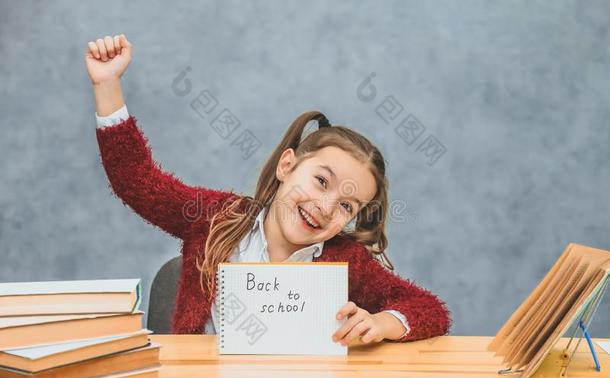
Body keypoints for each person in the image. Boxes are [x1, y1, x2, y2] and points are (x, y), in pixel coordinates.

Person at [85, 33, 452, 345]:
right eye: (321, 181)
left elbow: (429, 309)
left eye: (346, 206)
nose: (324, 206)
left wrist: (383, 323)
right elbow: (136, 180)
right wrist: (107, 85)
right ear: (287, 165)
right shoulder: (216, 220)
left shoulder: (348, 262)